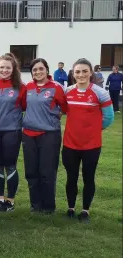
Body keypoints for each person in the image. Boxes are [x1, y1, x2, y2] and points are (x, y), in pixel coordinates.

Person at [63, 58, 114, 223]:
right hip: (70, 144)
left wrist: (93, 131)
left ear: (91, 73)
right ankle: (70, 208)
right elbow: (60, 111)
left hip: (91, 145)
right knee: (71, 177)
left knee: (88, 177)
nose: (81, 75)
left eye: (85, 71)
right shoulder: (67, 92)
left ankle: (85, 210)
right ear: (73, 73)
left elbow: (109, 117)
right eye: (77, 72)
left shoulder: (100, 93)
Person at [20, 58, 68, 214]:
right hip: (28, 134)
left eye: (41, 69)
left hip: (49, 134)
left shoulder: (56, 88)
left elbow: (65, 107)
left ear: (47, 70)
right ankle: (35, 205)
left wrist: (57, 113)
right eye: (35, 70)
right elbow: (23, 105)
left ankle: (48, 207)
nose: (38, 72)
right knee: (31, 172)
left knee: (47, 171)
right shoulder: (28, 87)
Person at [0, 53, 25, 212]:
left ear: (13, 68)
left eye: (8, 67)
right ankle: (0, 199)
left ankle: (11, 201)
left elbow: (25, 106)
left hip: (11, 130)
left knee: (10, 165)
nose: (4, 70)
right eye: (2, 67)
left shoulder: (21, 86)